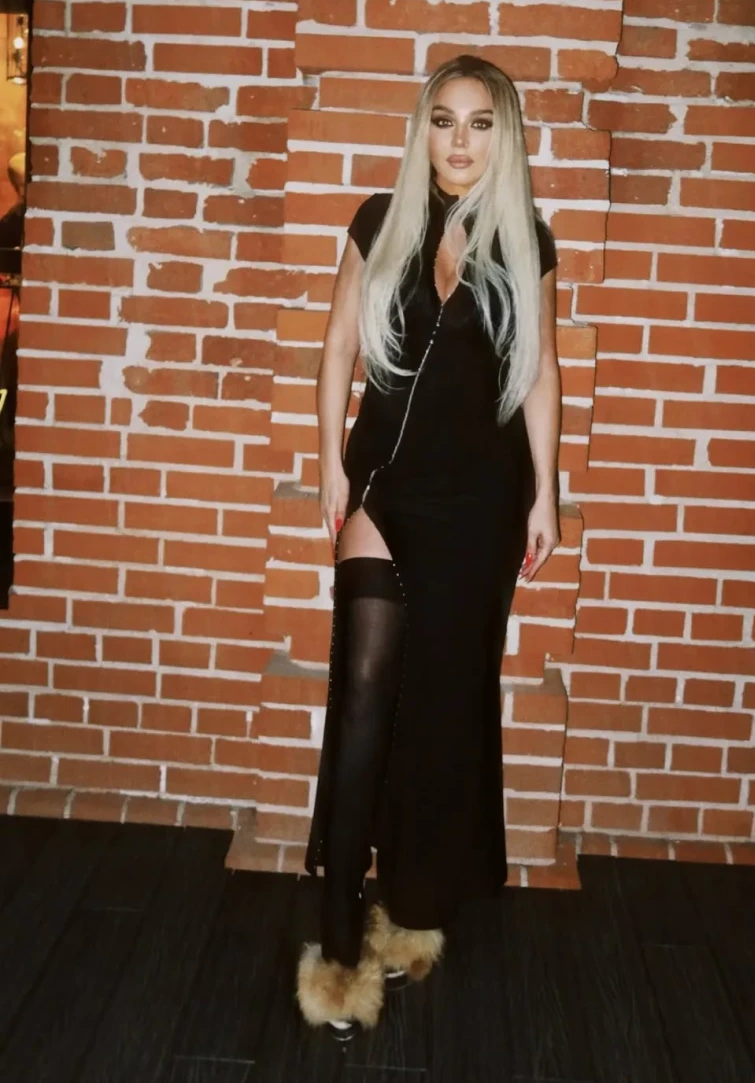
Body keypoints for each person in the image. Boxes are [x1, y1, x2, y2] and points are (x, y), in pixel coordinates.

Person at [296, 54, 561, 1040]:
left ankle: (410, 912)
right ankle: (334, 952)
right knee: (364, 689)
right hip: (384, 485)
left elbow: (541, 371)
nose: (459, 140)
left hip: (481, 503)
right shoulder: (380, 220)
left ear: (504, 136)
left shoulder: (526, 240)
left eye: (480, 123)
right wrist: (329, 466)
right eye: (443, 120)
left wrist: (546, 494)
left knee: (445, 706)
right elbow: (336, 345)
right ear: (423, 131)